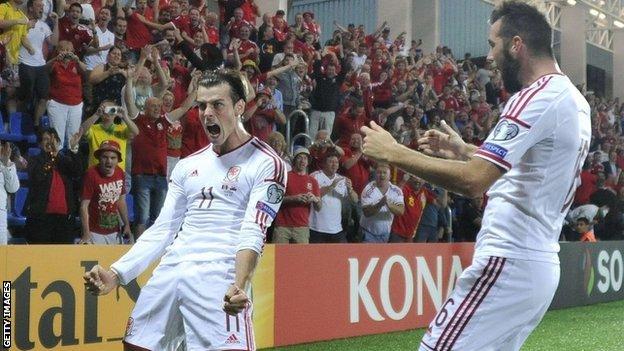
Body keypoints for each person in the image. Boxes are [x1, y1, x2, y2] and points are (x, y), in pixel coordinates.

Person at [360, 2, 591, 350]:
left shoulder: (535, 97)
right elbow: (529, 168)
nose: (489, 57)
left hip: (508, 260)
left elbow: (474, 181)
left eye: (492, 44)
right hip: (536, 262)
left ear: (516, 45)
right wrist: (466, 150)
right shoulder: (573, 99)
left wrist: (393, 152)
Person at [83, 69, 287, 350]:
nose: (207, 113)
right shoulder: (188, 165)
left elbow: (254, 228)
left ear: (239, 107)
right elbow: (163, 229)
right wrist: (117, 274)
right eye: (202, 105)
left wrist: (240, 284)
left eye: (217, 104)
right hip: (172, 269)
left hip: (220, 274)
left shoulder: (265, 162)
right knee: (136, 345)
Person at [24, 128, 83, 244]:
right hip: (41, 219)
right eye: (46, 139)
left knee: (62, 258)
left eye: (53, 139)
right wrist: (53, 156)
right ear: (40, 144)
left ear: (58, 142)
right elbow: (39, 176)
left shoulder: (64, 160)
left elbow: (77, 171)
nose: (50, 142)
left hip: (65, 219)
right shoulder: (34, 161)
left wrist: (73, 150)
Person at [80, 140, 131, 244]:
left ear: (118, 160)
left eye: (113, 158)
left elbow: (121, 201)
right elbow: (84, 206)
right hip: (94, 232)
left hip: (115, 231)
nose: (109, 161)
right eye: (105, 157)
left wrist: (127, 224)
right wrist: (86, 233)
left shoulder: (120, 173)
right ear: (99, 158)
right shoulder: (91, 174)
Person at [273, 147, 320, 244]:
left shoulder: (313, 181)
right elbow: (273, 199)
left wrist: (314, 199)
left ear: (308, 162)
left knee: (302, 258)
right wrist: (293, 198)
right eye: (300, 157)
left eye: (305, 158)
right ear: (294, 160)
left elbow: (319, 207)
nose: (303, 161)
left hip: (302, 228)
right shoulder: (284, 177)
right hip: (282, 226)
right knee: (280, 258)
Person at [309, 152, 358, 243]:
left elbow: (355, 200)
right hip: (317, 228)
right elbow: (312, 195)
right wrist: (331, 186)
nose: (334, 164)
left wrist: (350, 189)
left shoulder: (342, 179)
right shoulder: (314, 176)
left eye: (336, 162)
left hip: (336, 229)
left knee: (340, 256)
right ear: (323, 164)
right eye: (331, 162)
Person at [360, 162, 404, 243]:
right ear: (375, 175)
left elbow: (401, 211)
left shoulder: (397, 191)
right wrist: (379, 204)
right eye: (379, 172)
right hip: (368, 233)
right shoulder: (368, 189)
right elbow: (366, 212)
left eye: (385, 173)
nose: (382, 175)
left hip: (385, 234)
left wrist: (389, 204)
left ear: (390, 176)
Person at [0, 142, 19, 245]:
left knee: (1, 256)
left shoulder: (5, 163)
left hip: (0, 215)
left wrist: (6, 164)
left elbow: (13, 188)